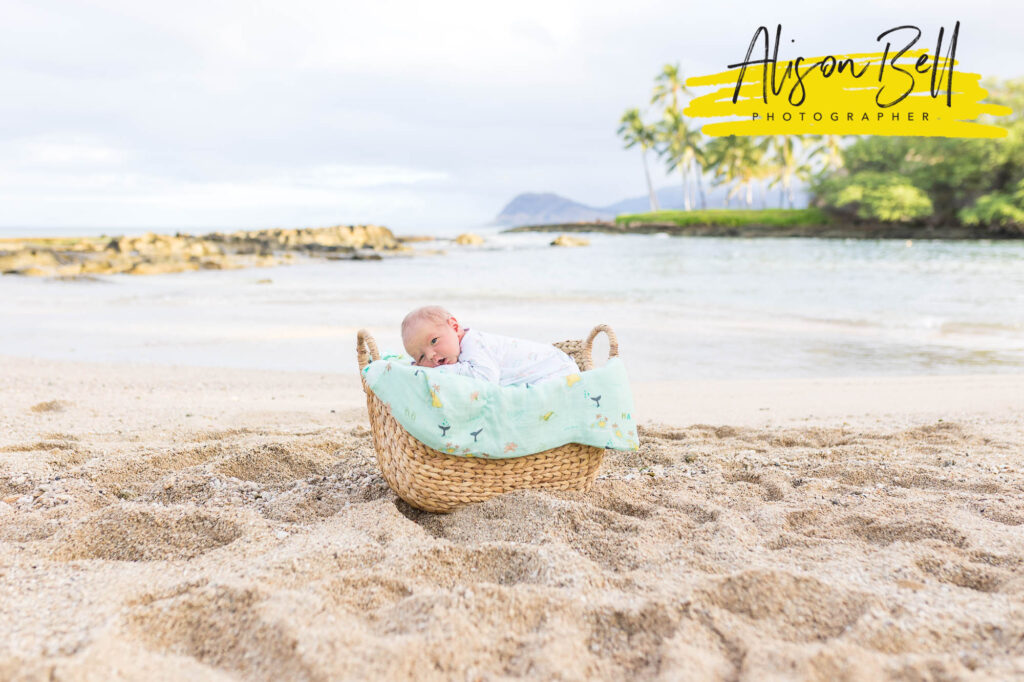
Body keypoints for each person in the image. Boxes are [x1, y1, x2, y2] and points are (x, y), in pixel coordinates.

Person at [401, 305, 579, 387]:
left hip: (555, 369)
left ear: (454, 327)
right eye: (421, 357)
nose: (431, 355)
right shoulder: (456, 356)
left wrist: (430, 372)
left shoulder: (473, 343)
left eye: (434, 341)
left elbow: (484, 379)